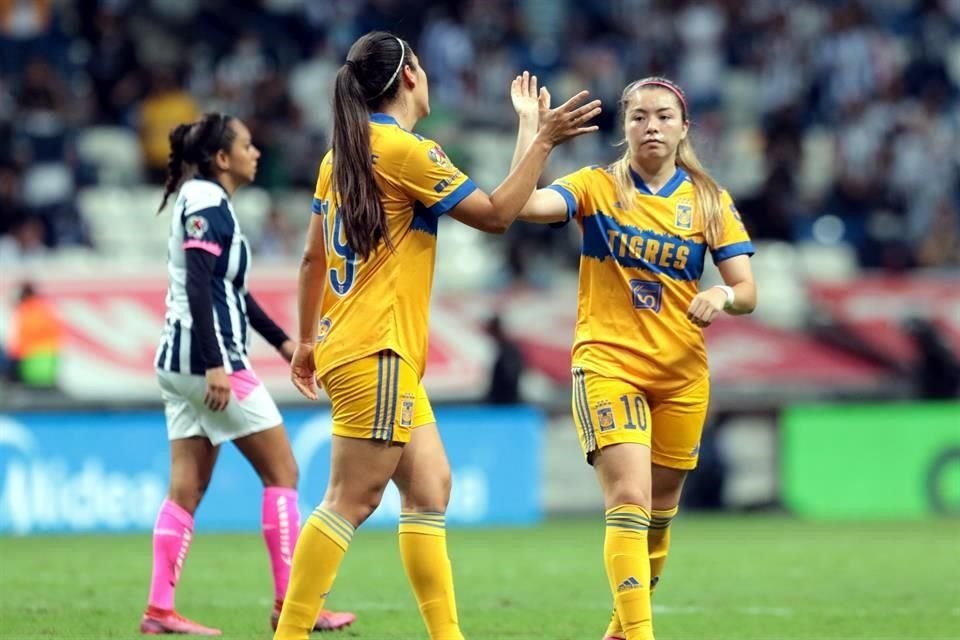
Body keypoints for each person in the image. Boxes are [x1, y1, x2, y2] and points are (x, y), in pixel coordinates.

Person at [274, 32, 600, 640]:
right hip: (380, 348)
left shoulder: (339, 155)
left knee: (429, 487)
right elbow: (500, 215)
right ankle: (288, 633)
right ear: (408, 79)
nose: (427, 74)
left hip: (355, 341)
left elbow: (312, 260)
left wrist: (306, 340)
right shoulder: (407, 153)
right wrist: (546, 140)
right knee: (351, 498)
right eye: (421, 65)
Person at [511, 76, 757, 640]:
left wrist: (721, 293)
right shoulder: (595, 186)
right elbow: (523, 203)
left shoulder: (708, 200)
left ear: (684, 128)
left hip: (681, 374)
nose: (652, 126)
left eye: (664, 116)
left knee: (660, 517)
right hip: (607, 364)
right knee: (629, 499)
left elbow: (747, 291)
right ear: (624, 127)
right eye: (640, 116)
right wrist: (533, 130)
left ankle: (620, 632)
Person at [144, 112, 356, 636]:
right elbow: (197, 286)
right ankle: (291, 606)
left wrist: (285, 343)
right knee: (283, 473)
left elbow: (231, 291)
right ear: (222, 158)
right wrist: (217, 363)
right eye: (247, 144)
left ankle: (159, 610)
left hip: (179, 364)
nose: (256, 151)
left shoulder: (205, 202)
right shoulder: (207, 204)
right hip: (208, 363)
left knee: (186, 489)